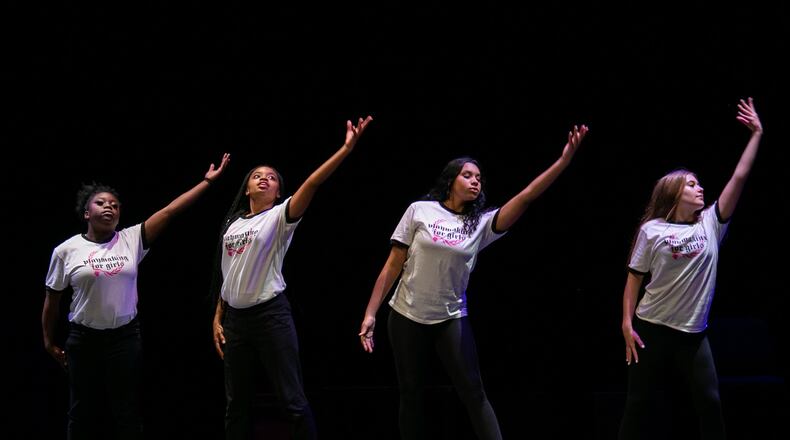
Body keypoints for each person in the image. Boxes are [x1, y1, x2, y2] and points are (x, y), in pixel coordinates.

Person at [359, 124, 589, 440]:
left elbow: (526, 197)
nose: (475, 181)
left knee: (474, 393)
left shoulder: (479, 225)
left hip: (451, 318)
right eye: (468, 175)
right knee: (411, 395)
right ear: (451, 179)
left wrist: (563, 162)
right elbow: (392, 265)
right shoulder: (420, 210)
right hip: (406, 316)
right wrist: (371, 313)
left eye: (479, 178)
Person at [42, 153, 231, 440]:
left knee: (126, 410)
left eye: (115, 205)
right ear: (86, 213)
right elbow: (52, 302)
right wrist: (48, 340)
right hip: (84, 339)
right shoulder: (65, 251)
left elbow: (169, 211)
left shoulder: (131, 239)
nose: (109, 207)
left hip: (124, 337)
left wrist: (206, 182)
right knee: (82, 411)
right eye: (101, 203)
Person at [212, 116, 373, 440]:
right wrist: (218, 315)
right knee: (236, 405)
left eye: (271, 178)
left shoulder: (280, 216)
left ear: (278, 191)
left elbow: (312, 183)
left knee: (292, 401)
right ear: (246, 188)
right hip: (235, 322)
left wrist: (345, 149)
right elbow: (229, 272)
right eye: (257, 176)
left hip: (270, 315)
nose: (263, 180)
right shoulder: (233, 224)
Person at [619, 98, 763, 440]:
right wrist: (626, 324)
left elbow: (739, 176)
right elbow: (634, 278)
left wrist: (756, 133)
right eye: (692, 184)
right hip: (650, 329)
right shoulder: (651, 230)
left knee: (710, 404)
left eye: (699, 184)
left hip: (693, 335)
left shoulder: (711, 224)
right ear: (674, 193)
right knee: (637, 405)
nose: (700, 188)